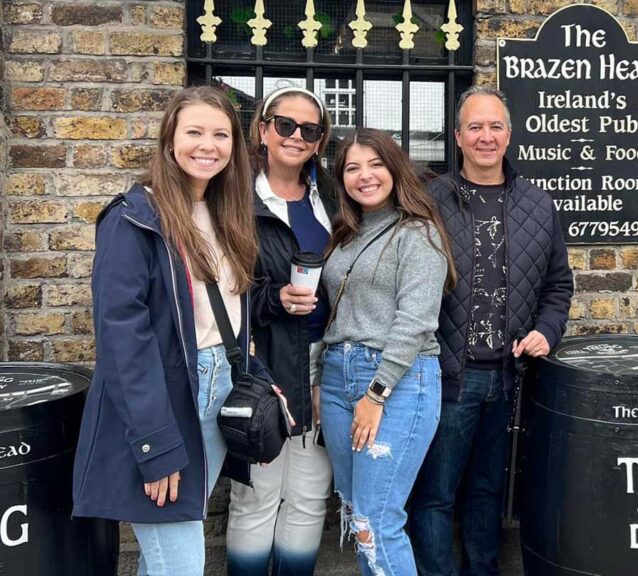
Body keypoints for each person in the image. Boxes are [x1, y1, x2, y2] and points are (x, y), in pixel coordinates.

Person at [72, 86, 262, 575]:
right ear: (169, 141)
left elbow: (228, 314)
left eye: (221, 134)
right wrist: (155, 445)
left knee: (166, 558)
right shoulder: (133, 219)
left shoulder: (224, 214)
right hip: (164, 401)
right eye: (194, 131)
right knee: (178, 563)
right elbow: (122, 340)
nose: (208, 144)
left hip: (217, 388)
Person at [408, 86, 574, 576]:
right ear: (458, 137)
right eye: (475, 127)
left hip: (509, 379)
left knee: (489, 491)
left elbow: (557, 285)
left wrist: (547, 329)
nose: (486, 136)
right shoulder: (427, 201)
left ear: (509, 134)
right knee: (435, 494)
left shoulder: (537, 205)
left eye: (495, 126)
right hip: (443, 377)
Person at [319, 127, 457, 576]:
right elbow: (335, 315)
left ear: (395, 169)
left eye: (376, 164)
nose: (365, 176)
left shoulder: (417, 233)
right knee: (355, 508)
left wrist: (375, 394)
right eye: (353, 168)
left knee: (375, 520)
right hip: (339, 377)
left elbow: (416, 321)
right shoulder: (347, 234)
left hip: (395, 381)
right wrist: (321, 377)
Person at [226, 87, 336, 576]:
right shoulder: (234, 196)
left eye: (309, 130)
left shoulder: (333, 195)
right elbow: (215, 290)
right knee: (257, 495)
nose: (296, 136)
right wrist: (273, 298)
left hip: (325, 362)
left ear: (319, 141)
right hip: (263, 358)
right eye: (285, 124)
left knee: (311, 496)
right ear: (264, 128)